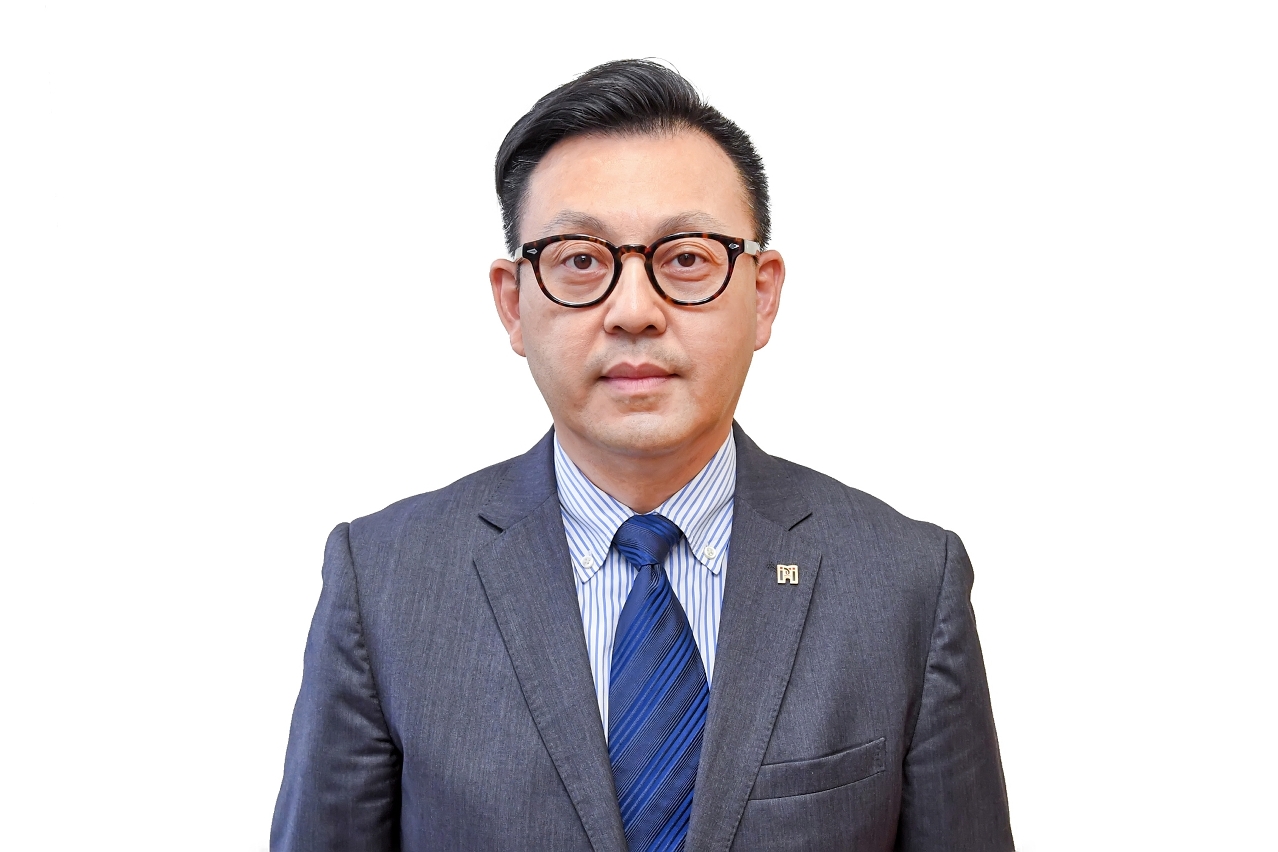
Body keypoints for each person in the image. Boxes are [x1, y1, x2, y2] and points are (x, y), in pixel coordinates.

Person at [271, 59, 1014, 852]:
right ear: (513, 303)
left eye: (686, 258)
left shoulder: (904, 584)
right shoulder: (386, 583)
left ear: (762, 294)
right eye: (580, 260)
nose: (633, 311)